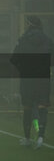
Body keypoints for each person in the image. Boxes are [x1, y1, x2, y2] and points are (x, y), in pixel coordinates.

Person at [10, 16, 54, 149]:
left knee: (27, 106)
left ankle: (28, 138)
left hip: (28, 77)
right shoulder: (47, 40)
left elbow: (14, 59)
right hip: (43, 77)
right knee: (42, 105)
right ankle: (40, 136)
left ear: (29, 24)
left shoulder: (23, 40)